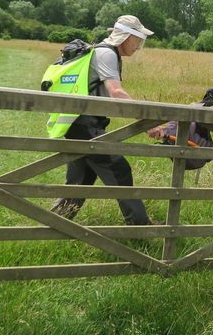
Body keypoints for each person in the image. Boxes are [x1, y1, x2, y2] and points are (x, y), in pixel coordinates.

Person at [51, 15, 156, 225]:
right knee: (119, 168)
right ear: (127, 36)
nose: (138, 47)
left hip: (80, 124)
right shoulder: (107, 54)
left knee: (80, 180)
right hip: (85, 124)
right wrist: (148, 121)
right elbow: (116, 93)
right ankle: (140, 226)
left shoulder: (106, 52)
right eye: (138, 40)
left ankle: (56, 223)